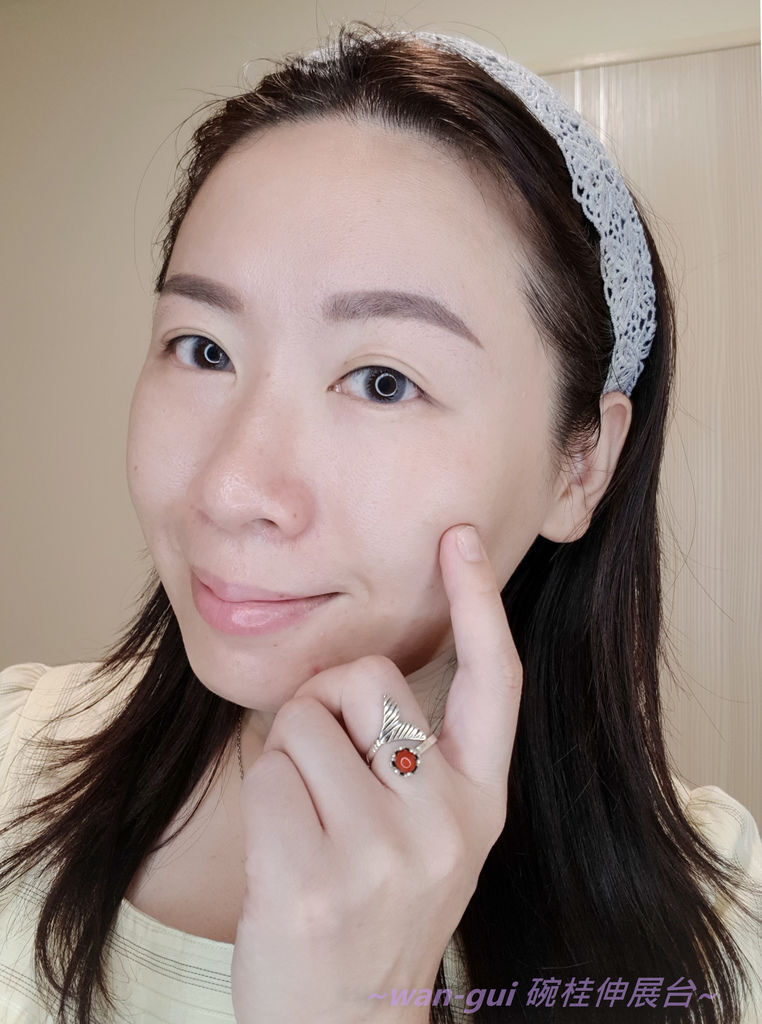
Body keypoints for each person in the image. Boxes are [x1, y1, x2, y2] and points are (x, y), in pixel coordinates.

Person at [1, 20, 760, 1024]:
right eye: (205, 349)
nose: (230, 488)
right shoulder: (13, 753)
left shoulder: (721, 934)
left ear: (580, 465)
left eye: (382, 380)